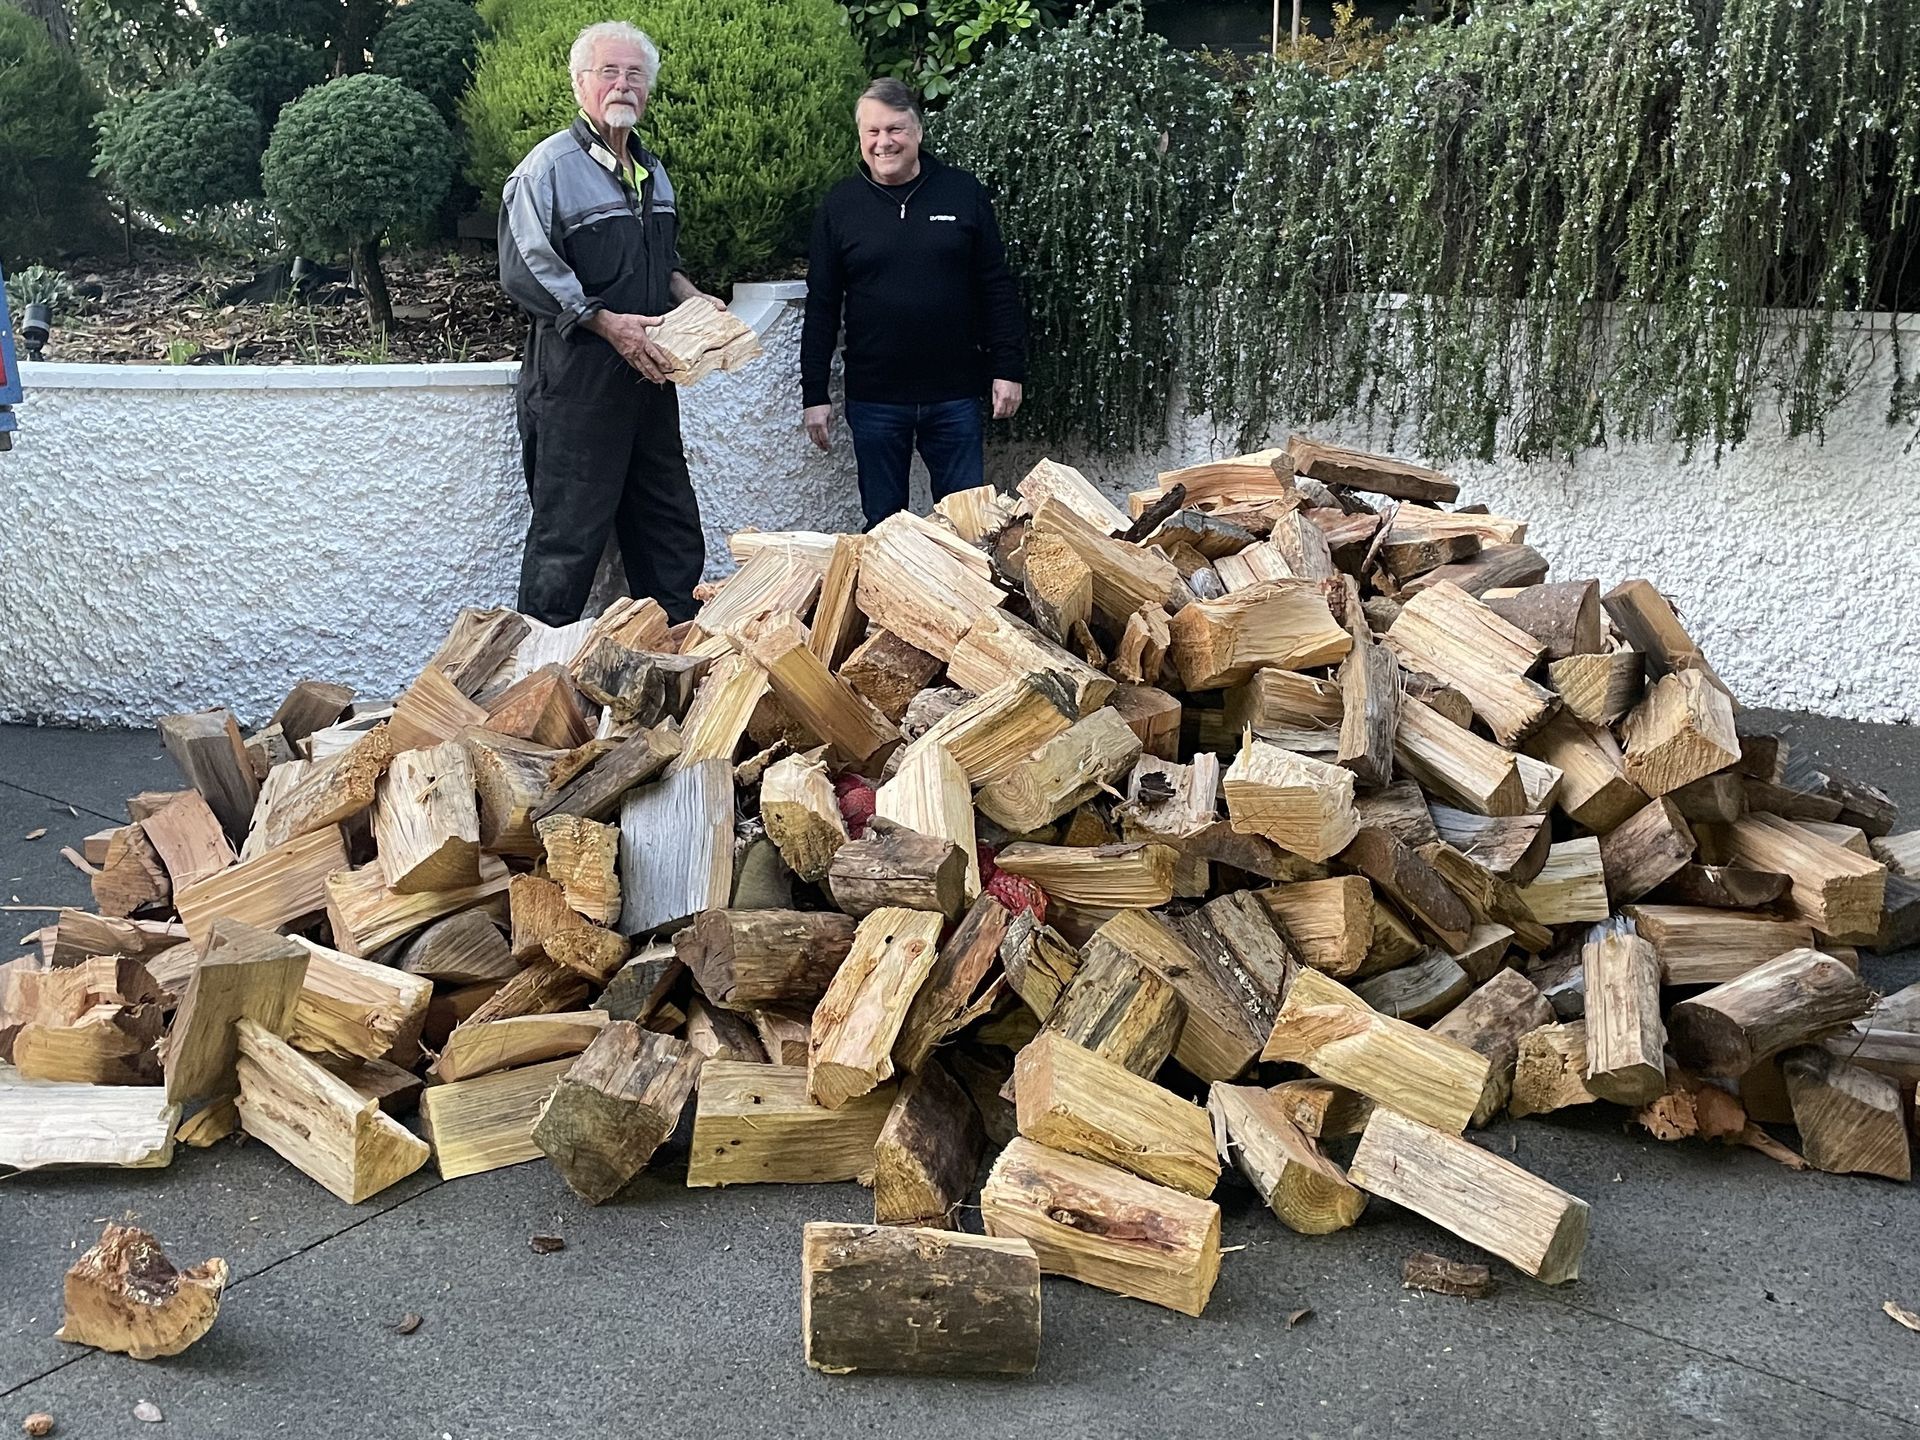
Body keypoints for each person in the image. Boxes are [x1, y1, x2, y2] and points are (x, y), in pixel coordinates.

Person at [497, 20, 725, 625]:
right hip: (577, 387)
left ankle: (678, 675)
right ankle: (539, 685)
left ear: (647, 89)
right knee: (567, 544)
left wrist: (693, 299)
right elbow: (528, 270)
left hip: (650, 382)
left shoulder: (654, 172)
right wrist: (607, 324)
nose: (623, 84)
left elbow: (661, 266)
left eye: (634, 74)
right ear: (580, 85)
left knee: (670, 532)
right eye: (608, 72)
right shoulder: (545, 169)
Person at [800, 78, 1027, 529]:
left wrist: (1009, 369)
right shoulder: (841, 205)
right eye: (872, 132)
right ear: (861, 138)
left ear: (919, 131)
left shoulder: (962, 193)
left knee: (969, 527)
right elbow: (822, 304)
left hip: (955, 395)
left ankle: (968, 601)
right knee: (886, 529)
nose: (884, 142)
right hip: (876, 399)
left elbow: (996, 286)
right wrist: (814, 393)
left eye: (895, 129)